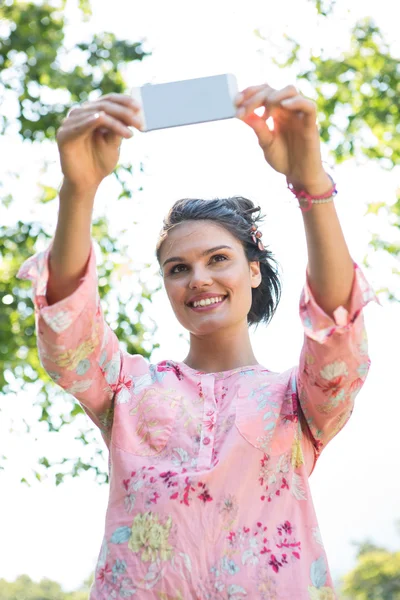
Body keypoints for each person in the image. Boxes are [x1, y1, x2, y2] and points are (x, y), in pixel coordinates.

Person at [17, 83, 378, 599]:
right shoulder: (127, 388)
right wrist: (80, 187)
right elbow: (67, 331)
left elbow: (338, 329)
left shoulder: (295, 402)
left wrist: (310, 184)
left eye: (218, 259)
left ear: (253, 272)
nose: (198, 279)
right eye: (178, 268)